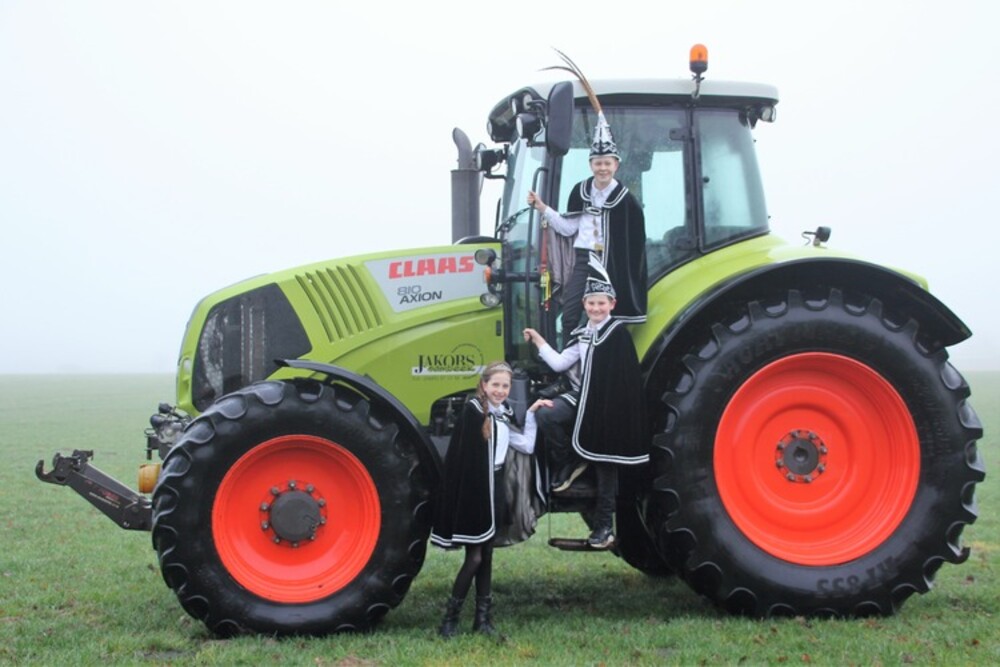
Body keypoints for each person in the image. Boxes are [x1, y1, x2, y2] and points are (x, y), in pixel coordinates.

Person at [523, 256, 648, 548]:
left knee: (606, 463)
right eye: (591, 303)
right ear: (584, 305)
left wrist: (609, 412)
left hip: (608, 408)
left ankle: (603, 528)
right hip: (581, 399)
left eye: (601, 303)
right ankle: (571, 461)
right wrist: (539, 340)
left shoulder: (617, 336)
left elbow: (623, 382)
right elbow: (559, 363)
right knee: (547, 416)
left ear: (612, 305)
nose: (596, 308)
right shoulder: (581, 335)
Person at [527, 56, 647, 338]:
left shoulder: (625, 201)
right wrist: (543, 208)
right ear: (591, 164)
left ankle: (604, 352)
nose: (602, 168)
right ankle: (573, 356)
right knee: (571, 313)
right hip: (584, 260)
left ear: (616, 165)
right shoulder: (580, 192)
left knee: (606, 315)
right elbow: (568, 228)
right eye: (598, 163)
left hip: (612, 262)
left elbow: (633, 246)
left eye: (607, 163)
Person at [430, 361, 546, 639]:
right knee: (475, 557)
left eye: (505, 386)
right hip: (475, 492)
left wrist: (531, 413)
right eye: (495, 385)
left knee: (487, 555)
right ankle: (449, 620)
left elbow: (526, 445)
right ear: (484, 385)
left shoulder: (502, 413)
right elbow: (462, 460)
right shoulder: (472, 412)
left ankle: (482, 621)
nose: (500, 390)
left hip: (494, 489)